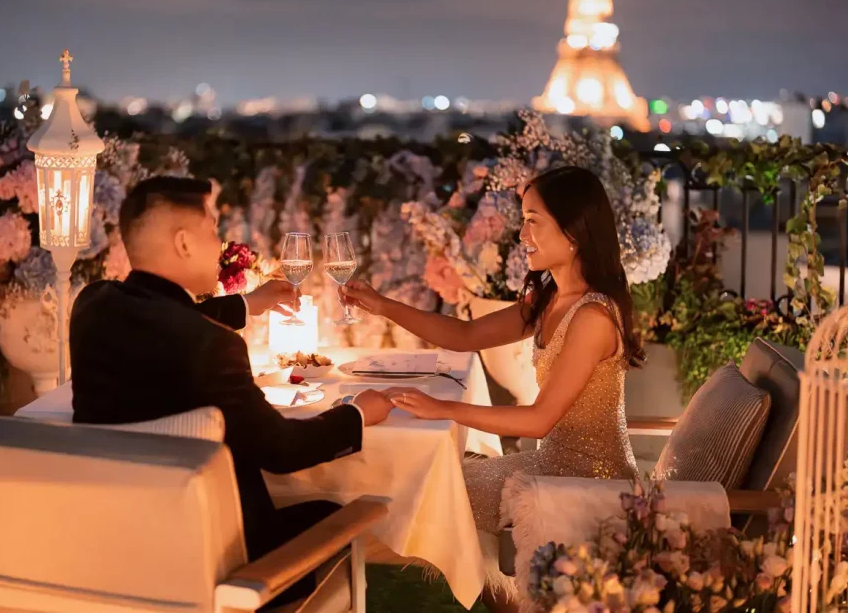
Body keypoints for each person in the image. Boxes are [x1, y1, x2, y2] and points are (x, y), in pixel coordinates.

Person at [70, 176, 393, 608]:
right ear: (184, 243)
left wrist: (246, 304)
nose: (220, 244)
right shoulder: (211, 347)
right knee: (331, 515)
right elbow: (282, 450)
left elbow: (165, 316)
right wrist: (357, 413)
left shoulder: (94, 307)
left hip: (123, 549)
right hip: (225, 566)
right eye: (212, 230)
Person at [340, 166, 641, 608]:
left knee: (441, 489)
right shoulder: (548, 299)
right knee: (441, 479)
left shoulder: (592, 318)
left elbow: (539, 420)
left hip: (589, 480)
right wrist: (383, 305)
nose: (523, 235)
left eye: (533, 220)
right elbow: (465, 336)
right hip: (552, 462)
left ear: (573, 232)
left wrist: (444, 409)